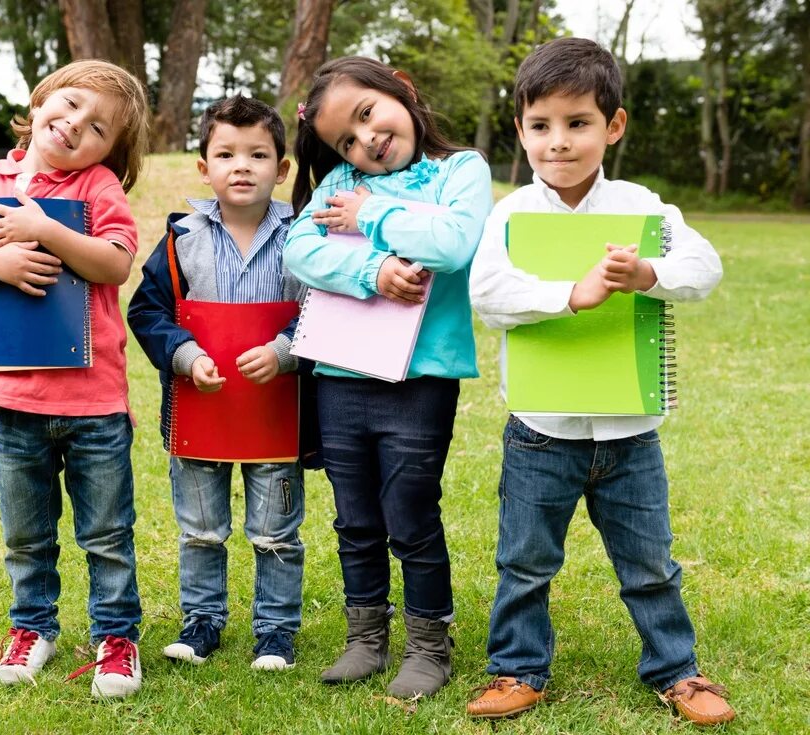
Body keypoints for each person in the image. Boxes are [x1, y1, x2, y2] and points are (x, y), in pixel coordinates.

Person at [467, 38, 734, 726]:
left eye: (578, 122)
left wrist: (649, 273)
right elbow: (488, 292)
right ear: (521, 130)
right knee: (524, 561)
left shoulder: (641, 207)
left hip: (629, 434)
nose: (558, 142)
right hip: (540, 433)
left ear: (612, 126)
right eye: (541, 125)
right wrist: (572, 293)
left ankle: (677, 670)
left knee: (650, 565)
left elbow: (704, 266)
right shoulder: (510, 214)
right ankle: (519, 667)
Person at [0, 60, 149, 699]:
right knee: (26, 534)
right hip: (13, 397)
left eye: (99, 126)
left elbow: (115, 264)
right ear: (42, 97)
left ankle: (116, 636)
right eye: (70, 104)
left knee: (106, 531)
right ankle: (32, 627)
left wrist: (43, 228)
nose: (76, 123)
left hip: (93, 401)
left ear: (113, 149)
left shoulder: (99, 188)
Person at [283, 56, 493, 698]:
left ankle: (430, 644)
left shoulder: (462, 171)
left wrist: (370, 215)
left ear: (400, 90)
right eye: (346, 139)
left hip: (420, 381)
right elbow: (299, 248)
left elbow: (455, 240)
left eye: (367, 114)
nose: (364, 140)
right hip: (341, 374)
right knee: (355, 516)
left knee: (410, 511)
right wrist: (373, 273)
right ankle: (365, 638)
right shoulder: (339, 184)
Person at [126, 96, 308, 671]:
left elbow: (325, 310)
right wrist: (182, 354)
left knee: (275, 529)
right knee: (200, 529)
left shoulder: (303, 238)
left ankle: (275, 631)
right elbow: (147, 309)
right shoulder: (181, 239)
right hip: (200, 409)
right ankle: (201, 621)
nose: (242, 165)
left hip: (275, 412)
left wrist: (284, 350)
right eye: (226, 153)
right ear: (204, 168)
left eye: (258, 154)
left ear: (282, 169)